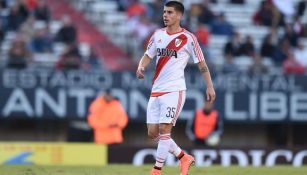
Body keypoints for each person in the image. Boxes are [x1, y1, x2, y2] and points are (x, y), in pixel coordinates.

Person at [135, 1, 216, 175]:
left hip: (175, 90)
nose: (165, 15)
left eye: (170, 12)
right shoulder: (157, 35)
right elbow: (147, 55)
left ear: (179, 15)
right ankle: (183, 157)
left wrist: (209, 86)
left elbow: (202, 64)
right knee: (153, 132)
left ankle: (157, 170)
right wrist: (141, 67)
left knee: (165, 129)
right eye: (165, 12)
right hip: (156, 89)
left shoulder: (189, 38)